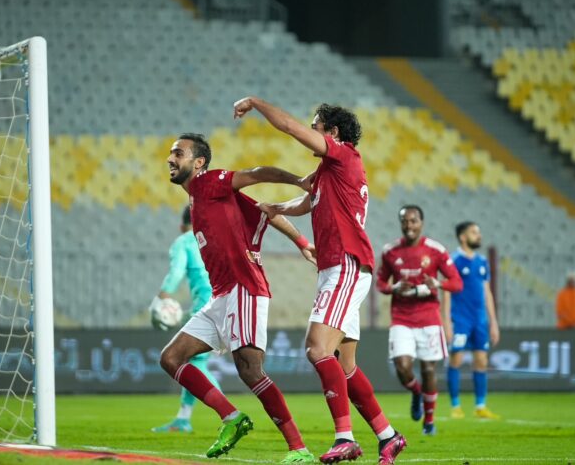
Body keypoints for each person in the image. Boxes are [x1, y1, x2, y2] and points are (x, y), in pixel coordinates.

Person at [234, 97, 406, 465]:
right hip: (339, 266)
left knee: (316, 349)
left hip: (345, 264)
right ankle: (388, 436)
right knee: (344, 366)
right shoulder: (330, 172)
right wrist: (276, 207)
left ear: (333, 133)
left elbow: (289, 127)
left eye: (317, 126)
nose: (311, 130)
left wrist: (255, 103)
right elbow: (308, 202)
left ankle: (344, 437)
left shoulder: (343, 155)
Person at [159, 133, 317, 463]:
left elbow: (258, 174)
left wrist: (298, 181)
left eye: (179, 153)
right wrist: (302, 242)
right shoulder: (198, 200)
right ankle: (232, 418)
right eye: (171, 153)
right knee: (171, 358)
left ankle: (299, 449)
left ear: (198, 162)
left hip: (244, 287)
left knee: (250, 370)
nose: (171, 159)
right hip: (221, 296)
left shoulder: (211, 182)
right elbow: (266, 211)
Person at [376, 205, 462, 436]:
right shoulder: (390, 251)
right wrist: (394, 287)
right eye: (404, 221)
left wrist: (438, 284)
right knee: (403, 368)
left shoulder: (435, 250)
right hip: (402, 318)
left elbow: (456, 282)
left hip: (429, 318)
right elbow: (381, 284)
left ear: (421, 223)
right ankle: (416, 392)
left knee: (428, 369)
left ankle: (429, 422)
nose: (409, 225)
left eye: (413, 221)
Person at [150, 205, 218, 433]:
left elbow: (176, 272)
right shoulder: (217, 236)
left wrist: (164, 294)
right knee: (192, 362)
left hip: (206, 308)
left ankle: (230, 414)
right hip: (230, 301)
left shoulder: (184, 241)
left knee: (188, 363)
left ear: (182, 226)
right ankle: (183, 418)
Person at [442, 221, 501, 420]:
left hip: (480, 320)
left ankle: (480, 406)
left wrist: (493, 322)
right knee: (456, 359)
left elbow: (487, 292)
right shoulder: (454, 260)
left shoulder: (482, 262)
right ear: (463, 237)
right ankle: (456, 406)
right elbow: (447, 292)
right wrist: (447, 322)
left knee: (481, 361)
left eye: (479, 232)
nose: (479, 236)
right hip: (460, 319)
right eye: (474, 232)